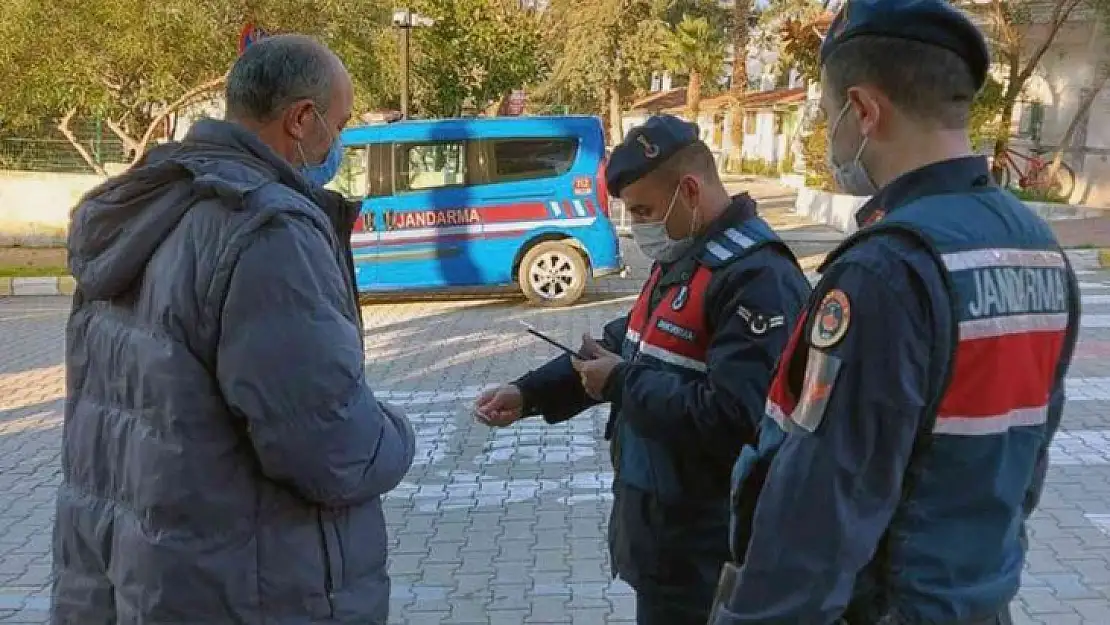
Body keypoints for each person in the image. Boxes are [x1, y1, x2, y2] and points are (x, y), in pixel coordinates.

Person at [707, 1, 1082, 624]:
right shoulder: (1039, 247)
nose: (830, 136)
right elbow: (1027, 464)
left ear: (862, 110)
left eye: (829, 116)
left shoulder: (884, 272)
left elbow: (821, 510)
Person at [51, 35, 416, 624]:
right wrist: (396, 435)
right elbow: (328, 448)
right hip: (250, 587)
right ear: (302, 119)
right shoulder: (267, 232)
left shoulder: (146, 206)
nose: (340, 143)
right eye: (340, 125)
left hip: (144, 577)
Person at [475, 115, 811, 625]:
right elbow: (623, 343)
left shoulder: (758, 278)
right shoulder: (686, 257)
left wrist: (621, 382)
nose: (639, 228)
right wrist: (529, 394)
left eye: (644, 211)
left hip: (711, 548)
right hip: (662, 538)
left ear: (691, 191)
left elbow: (739, 416)